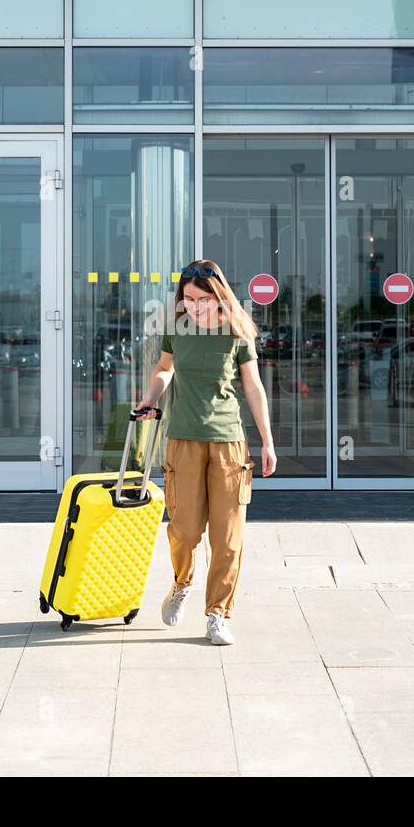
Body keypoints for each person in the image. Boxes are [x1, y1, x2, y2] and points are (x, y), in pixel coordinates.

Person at [135, 259, 276, 645]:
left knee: (228, 538)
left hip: (229, 442)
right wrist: (151, 398)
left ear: (218, 296)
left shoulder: (237, 331)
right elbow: (164, 368)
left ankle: (217, 613)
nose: (194, 306)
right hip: (182, 438)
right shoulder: (177, 328)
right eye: (188, 299)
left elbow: (254, 388)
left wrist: (267, 440)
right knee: (183, 530)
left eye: (201, 299)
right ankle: (182, 584)